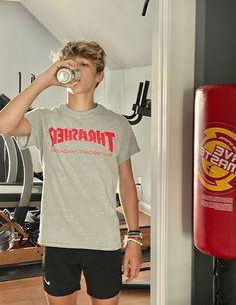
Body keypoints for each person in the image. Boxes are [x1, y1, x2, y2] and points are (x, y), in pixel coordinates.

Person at [0, 41, 143, 305]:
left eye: (84, 65)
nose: (76, 70)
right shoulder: (45, 119)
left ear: (99, 75)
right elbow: (3, 124)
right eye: (71, 65)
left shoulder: (117, 124)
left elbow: (126, 183)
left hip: (104, 239)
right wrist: (44, 80)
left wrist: (133, 237)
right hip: (58, 240)